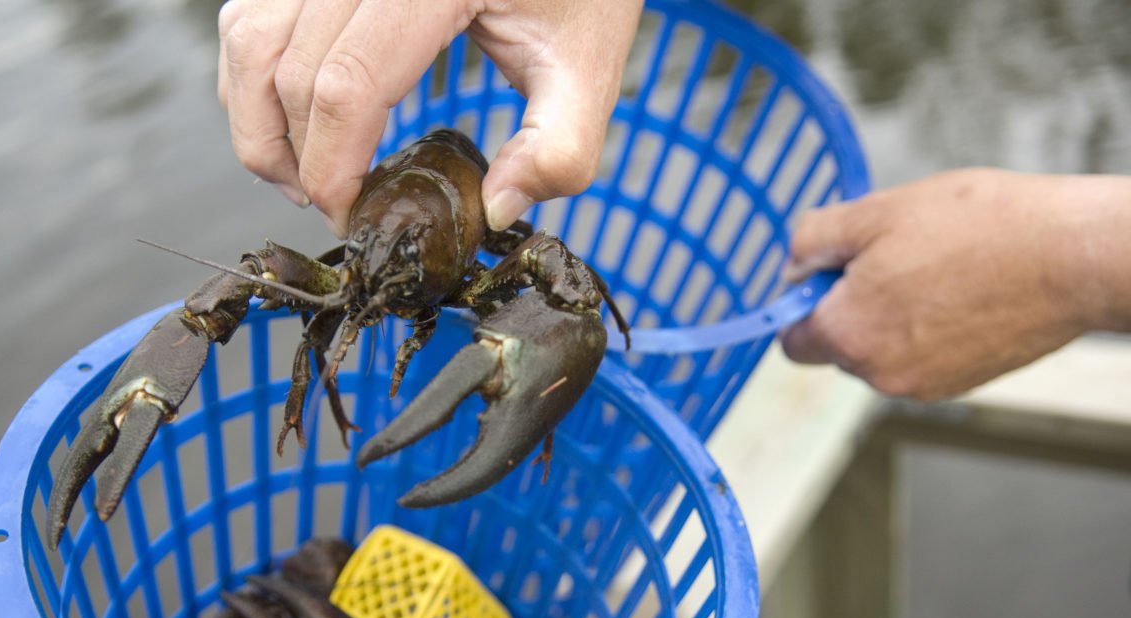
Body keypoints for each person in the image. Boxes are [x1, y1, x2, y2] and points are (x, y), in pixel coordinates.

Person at [216, 0, 1131, 402]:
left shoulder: (503, 246)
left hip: (457, 211)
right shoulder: (360, 256)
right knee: (289, 287)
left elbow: (564, 288)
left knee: (565, 294)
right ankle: (315, 400)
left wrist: (1071, 258)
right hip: (409, 216)